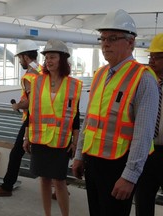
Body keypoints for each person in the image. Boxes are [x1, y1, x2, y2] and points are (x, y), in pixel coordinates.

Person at [72, 9, 159, 216]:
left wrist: (130, 176)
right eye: (102, 38)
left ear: (131, 43)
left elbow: (143, 134)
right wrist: (79, 155)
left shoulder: (144, 79)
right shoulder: (101, 74)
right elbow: (89, 120)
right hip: (93, 161)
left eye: (112, 38)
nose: (105, 44)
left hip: (119, 165)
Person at [23, 39, 82, 216]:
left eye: (53, 57)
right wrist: (27, 136)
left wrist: (76, 141)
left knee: (60, 181)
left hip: (61, 140)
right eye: (47, 57)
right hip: (40, 138)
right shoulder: (38, 82)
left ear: (62, 59)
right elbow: (31, 112)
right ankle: (47, 214)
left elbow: (75, 116)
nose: (49, 61)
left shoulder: (73, 84)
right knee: (44, 180)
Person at [0, 39, 42, 196]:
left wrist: (17, 106)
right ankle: (60, 187)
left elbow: (32, 102)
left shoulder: (29, 76)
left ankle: (6, 187)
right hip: (44, 118)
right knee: (45, 151)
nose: (19, 61)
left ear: (25, 57)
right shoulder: (42, 70)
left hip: (31, 119)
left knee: (16, 152)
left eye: (19, 58)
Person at [135, 33, 163, 216]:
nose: (151, 61)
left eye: (157, 57)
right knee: (143, 200)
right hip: (147, 150)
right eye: (150, 57)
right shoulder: (146, 83)